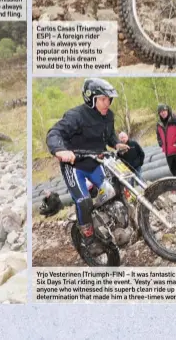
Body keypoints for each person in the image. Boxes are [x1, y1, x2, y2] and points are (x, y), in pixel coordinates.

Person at [46, 78, 128, 253]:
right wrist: (60, 150)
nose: (108, 103)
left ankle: (111, 220)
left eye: (109, 99)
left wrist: (116, 144)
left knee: (114, 189)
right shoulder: (76, 116)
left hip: (95, 163)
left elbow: (109, 136)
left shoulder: (109, 116)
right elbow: (54, 133)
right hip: (75, 166)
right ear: (91, 99)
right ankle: (89, 240)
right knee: (83, 202)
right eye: (103, 99)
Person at [156, 105, 176, 177]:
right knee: (174, 173)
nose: (163, 113)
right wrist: (161, 144)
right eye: (160, 112)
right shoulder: (159, 124)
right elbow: (158, 136)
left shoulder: (175, 119)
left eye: (164, 111)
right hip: (168, 153)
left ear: (168, 111)